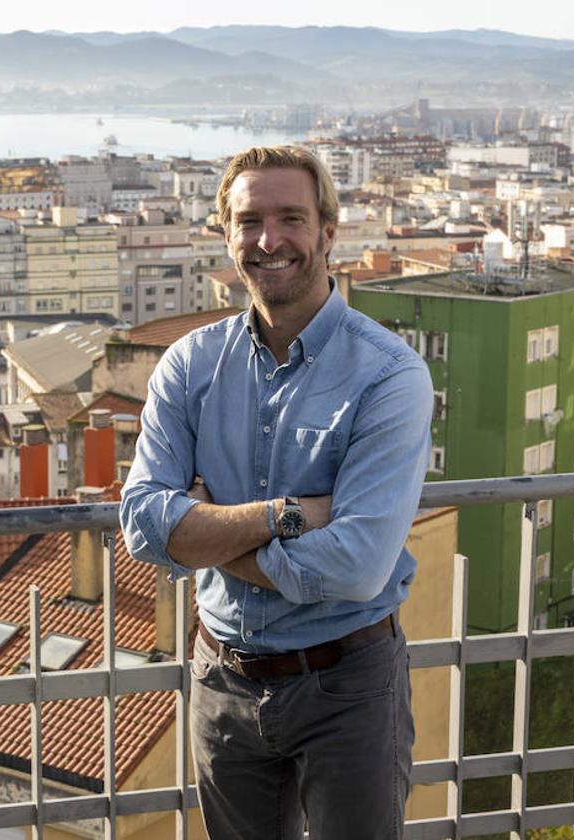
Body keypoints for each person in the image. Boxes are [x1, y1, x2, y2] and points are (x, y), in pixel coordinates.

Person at [118, 145, 434, 839]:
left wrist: (206, 534)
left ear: (328, 229)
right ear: (226, 234)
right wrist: (285, 516)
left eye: (291, 217)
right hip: (222, 679)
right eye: (249, 220)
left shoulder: (388, 375)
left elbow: (355, 566)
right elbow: (143, 524)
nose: (269, 240)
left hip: (347, 682)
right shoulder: (190, 366)